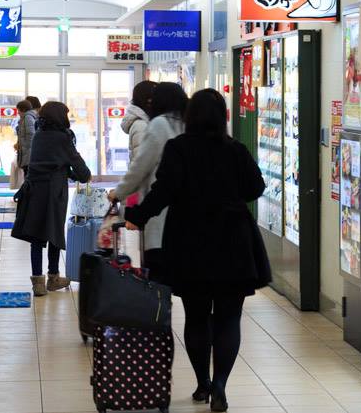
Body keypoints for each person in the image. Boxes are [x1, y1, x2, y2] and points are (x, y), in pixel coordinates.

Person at [124, 89, 271, 412]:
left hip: (190, 240)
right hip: (233, 240)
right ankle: (220, 384)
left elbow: (163, 191)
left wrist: (136, 215)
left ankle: (203, 383)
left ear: (190, 117)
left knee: (196, 315)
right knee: (229, 317)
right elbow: (256, 188)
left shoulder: (179, 149)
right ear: (223, 117)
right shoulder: (235, 150)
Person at [106, 82, 187, 280]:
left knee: (158, 274)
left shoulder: (159, 124)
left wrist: (119, 193)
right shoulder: (187, 123)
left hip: (159, 207)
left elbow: (140, 166)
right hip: (186, 211)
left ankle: (159, 307)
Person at [11, 101, 91, 297]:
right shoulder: (63, 138)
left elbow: (50, 163)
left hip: (34, 190)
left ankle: (38, 283)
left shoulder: (39, 136)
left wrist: (67, 171)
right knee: (54, 232)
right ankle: (53, 278)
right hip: (54, 192)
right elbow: (82, 171)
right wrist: (78, 174)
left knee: (36, 236)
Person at [119, 80, 157, 205]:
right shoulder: (141, 125)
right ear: (148, 100)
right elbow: (140, 163)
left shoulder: (145, 122)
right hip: (143, 192)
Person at [16, 98, 39, 175]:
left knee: (28, 176)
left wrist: (24, 147)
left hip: (28, 154)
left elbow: (31, 135)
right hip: (27, 152)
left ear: (23, 109)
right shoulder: (26, 118)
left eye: (18, 110)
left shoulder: (28, 118)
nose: (18, 112)